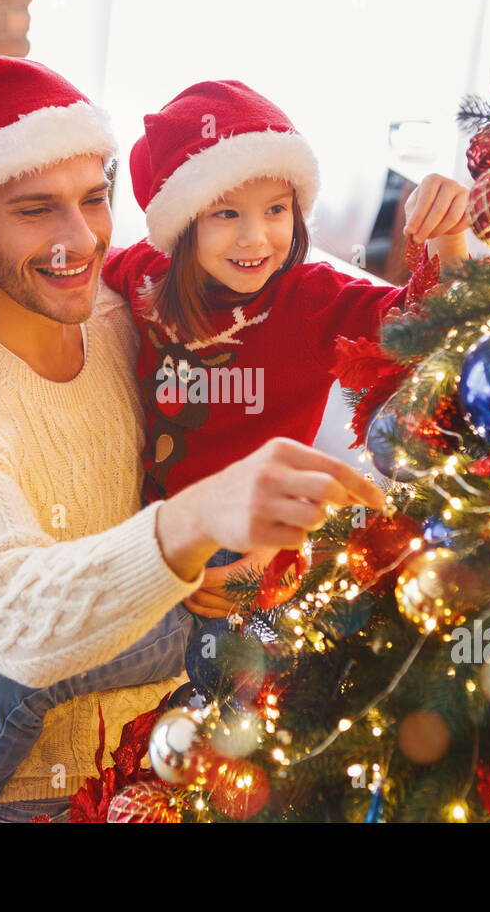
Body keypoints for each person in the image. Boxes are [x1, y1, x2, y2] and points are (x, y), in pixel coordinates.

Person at [0, 53, 386, 823]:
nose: (82, 240)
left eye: (95, 198)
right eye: (37, 208)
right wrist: (189, 530)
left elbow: (314, 305)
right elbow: (18, 624)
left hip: (147, 746)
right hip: (28, 790)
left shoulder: (114, 306)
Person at [102, 79, 469, 689]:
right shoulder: (144, 276)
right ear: (180, 222)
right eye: (227, 214)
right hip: (157, 540)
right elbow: (78, 289)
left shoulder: (311, 300)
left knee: (241, 709)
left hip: (258, 550)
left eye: (276, 209)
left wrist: (449, 236)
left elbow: (429, 327)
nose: (256, 239)